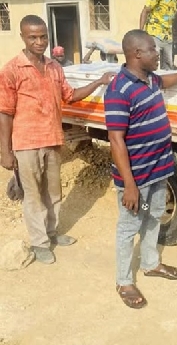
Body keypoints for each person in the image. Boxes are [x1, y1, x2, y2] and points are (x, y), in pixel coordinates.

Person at [104, 29, 177, 309]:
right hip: (136, 176)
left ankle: (151, 264)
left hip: (158, 168)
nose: (157, 54)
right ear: (137, 53)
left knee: (153, 217)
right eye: (152, 50)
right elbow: (116, 141)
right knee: (129, 227)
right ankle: (124, 281)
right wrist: (129, 185)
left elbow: (165, 80)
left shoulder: (149, 79)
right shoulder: (118, 90)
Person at [0, 15, 114, 265]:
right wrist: (5, 151)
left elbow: (70, 96)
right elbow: (5, 112)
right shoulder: (11, 70)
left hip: (52, 139)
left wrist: (98, 81)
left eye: (43, 37)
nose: (39, 42)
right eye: (33, 37)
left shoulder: (54, 67)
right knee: (33, 195)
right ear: (23, 37)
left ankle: (52, 233)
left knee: (53, 191)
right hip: (26, 142)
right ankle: (39, 243)